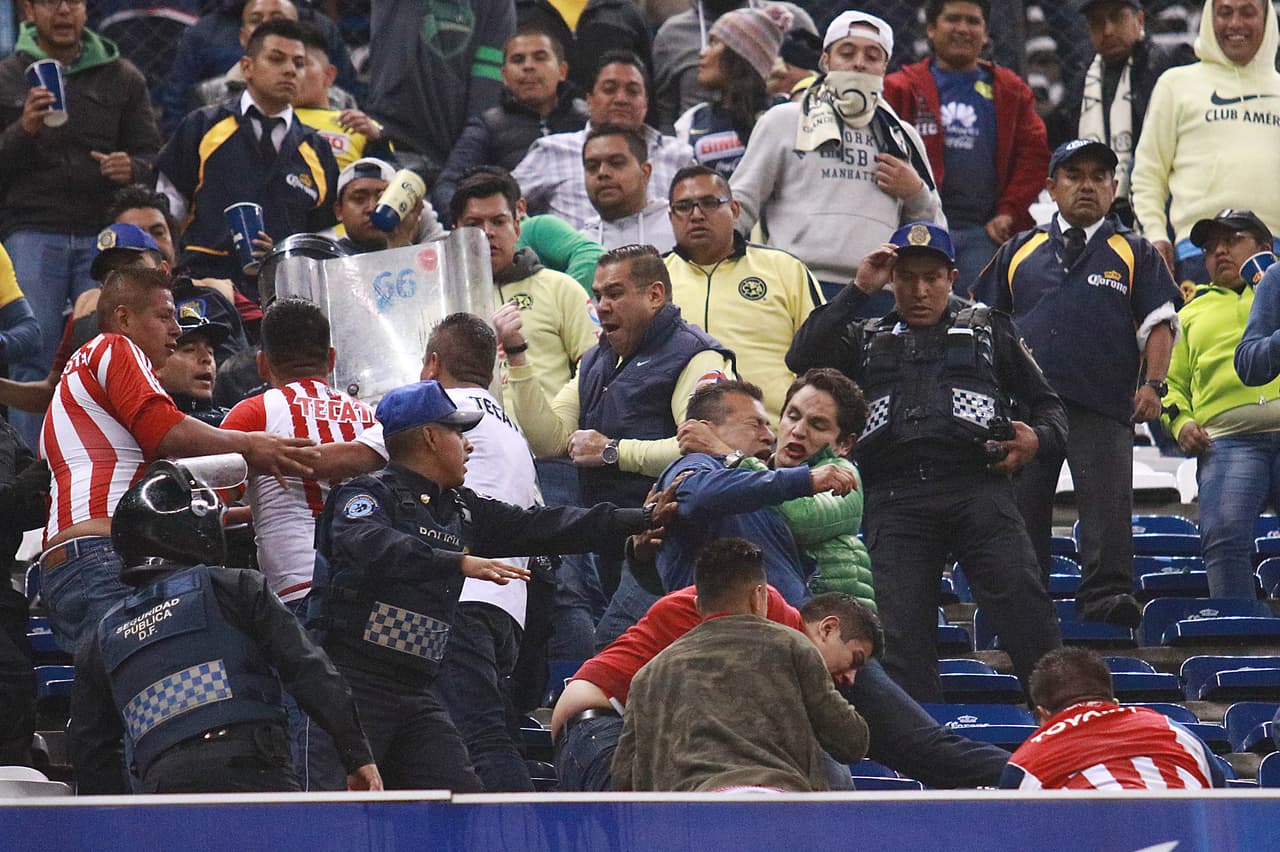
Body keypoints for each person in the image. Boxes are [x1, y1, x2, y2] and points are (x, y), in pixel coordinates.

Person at [302, 379, 670, 790]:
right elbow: (371, 545)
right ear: (430, 438)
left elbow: (545, 525)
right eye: (458, 433)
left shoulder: (460, 508)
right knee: (333, 809)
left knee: (469, 805)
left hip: (417, 691)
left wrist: (639, 518)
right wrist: (457, 562)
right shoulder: (365, 495)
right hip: (352, 689)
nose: (468, 446)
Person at [787, 221, 1064, 702]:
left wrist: (1036, 441)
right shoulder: (863, 336)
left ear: (952, 277)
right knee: (899, 637)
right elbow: (802, 356)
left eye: (931, 278)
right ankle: (923, 741)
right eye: (907, 278)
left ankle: (1066, 715)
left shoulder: (990, 329)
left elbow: (1051, 407)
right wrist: (858, 289)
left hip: (978, 488)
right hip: (894, 499)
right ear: (891, 279)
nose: (919, 291)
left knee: (1026, 609)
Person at [37, 266, 319, 657]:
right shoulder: (114, 347)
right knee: (160, 682)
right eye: (164, 316)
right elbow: (164, 430)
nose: (175, 328)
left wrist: (248, 512)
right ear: (124, 318)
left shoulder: (77, 382)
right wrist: (252, 445)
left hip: (74, 563)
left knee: (122, 689)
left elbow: (139, 483)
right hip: (104, 555)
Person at [68, 457, 382, 795]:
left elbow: (91, 752)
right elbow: (310, 670)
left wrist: (122, 818)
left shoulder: (101, 637)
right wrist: (356, 754)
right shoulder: (234, 587)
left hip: (163, 793)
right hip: (253, 773)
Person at [973, 139, 1181, 627]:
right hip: (1025, 409)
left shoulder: (1135, 251)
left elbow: (1160, 323)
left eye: (1098, 177)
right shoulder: (1018, 249)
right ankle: (1023, 604)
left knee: (1108, 508)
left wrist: (1153, 385)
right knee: (1021, 510)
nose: (1087, 185)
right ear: (1051, 186)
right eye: (1074, 175)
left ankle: (1107, 598)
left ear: (1114, 187)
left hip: (1103, 404)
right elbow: (983, 325)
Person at [553, 583, 1010, 793]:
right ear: (827, 628)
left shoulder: (768, 670)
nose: (851, 679)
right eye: (854, 661)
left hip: (617, 733)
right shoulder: (762, 610)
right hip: (600, 731)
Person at [504, 243, 732, 601]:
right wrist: (518, 356)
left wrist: (613, 451)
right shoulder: (597, 359)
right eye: (598, 295)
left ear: (655, 295)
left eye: (614, 293)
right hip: (608, 538)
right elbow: (549, 441)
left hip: (668, 542)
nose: (602, 306)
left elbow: (703, 451)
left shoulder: (697, 355)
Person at [0, 0, 162, 448]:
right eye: (51, 1)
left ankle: (103, 455)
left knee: (113, 352)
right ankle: (28, 467)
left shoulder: (123, 76)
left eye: (73, 1)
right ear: (28, 10)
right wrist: (23, 130)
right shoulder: (6, 76)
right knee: (33, 358)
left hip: (102, 236)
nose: (64, 10)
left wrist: (131, 167)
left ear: (87, 9)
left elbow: (152, 155)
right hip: (31, 229)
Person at [612, 537, 870, 792]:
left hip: (693, 810)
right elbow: (851, 741)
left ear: (698, 605)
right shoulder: (795, 647)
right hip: (782, 802)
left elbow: (624, 779)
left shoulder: (649, 675)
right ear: (758, 597)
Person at [729, 10, 942, 305]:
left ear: (884, 67)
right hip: (793, 285)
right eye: (847, 53)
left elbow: (933, 233)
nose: (859, 63)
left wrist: (916, 193)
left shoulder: (902, 136)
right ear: (825, 60)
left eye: (872, 56)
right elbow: (741, 202)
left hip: (878, 292)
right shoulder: (783, 120)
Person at [421, 313, 545, 792]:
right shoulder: (513, 430)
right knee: (472, 735)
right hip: (506, 608)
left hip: (461, 601)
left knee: (479, 739)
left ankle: (515, 828)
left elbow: (354, 459)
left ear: (434, 364)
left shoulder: (440, 409)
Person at [156, 18, 341, 283]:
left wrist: (285, 255)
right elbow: (168, 208)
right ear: (246, 67)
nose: (290, 70)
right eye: (276, 59)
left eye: (299, 63)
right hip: (204, 282)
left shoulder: (317, 148)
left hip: (286, 289)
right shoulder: (202, 126)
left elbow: (323, 232)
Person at [883, 0, 1049, 293]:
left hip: (983, 234)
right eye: (953, 19)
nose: (963, 29)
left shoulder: (1011, 90)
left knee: (977, 313)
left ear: (985, 33)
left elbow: (1034, 156)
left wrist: (1009, 212)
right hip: (914, 227)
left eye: (973, 21)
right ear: (931, 29)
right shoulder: (899, 88)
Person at [653, 380, 856, 604]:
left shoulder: (759, 487)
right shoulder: (697, 465)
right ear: (706, 429)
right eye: (755, 424)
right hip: (738, 623)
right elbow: (699, 494)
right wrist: (804, 480)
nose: (770, 436)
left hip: (799, 620)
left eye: (818, 425)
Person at [1164, 210, 1280, 600]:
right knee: (1225, 532)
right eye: (1211, 247)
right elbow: (1167, 385)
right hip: (1228, 439)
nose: (1220, 252)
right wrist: (1181, 423)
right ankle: (1236, 627)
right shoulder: (1189, 312)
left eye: (1232, 240)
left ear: (1264, 247)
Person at [1131, 0, 1280, 286]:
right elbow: (1148, 174)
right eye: (1225, 12)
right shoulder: (1175, 84)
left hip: (1274, 256)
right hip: (1198, 255)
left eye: (1247, 12)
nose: (1235, 23)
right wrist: (1155, 234)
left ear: (1267, 19)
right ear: (1210, 18)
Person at [664, 165, 824, 424]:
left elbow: (823, 357)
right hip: (679, 439)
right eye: (683, 207)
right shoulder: (655, 279)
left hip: (774, 435)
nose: (696, 215)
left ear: (735, 210)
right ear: (671, 217)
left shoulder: (784, 268)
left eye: (709, 203)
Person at [732, 368, 874, 609]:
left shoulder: (843, 476)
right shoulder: (754, 472)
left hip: (834, 625)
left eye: (817, 425)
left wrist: (738, 463)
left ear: (845, 444)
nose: (798, 431)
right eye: (793, 416)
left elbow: (798, 519)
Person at [1047, 0, 1195, 223]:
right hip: (1103, 216)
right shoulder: (1081, 84)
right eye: (1097, 22)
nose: (1108, 30)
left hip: (1168, 201)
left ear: (1139, 19)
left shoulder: (1171, 65)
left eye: (1117, 18)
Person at [513, 51, 694, 230]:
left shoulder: (678, 155)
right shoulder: (552, 151)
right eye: (609, 89)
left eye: (632, 91)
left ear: (645, 103)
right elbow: (504, 205)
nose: (621, 99)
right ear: (589, 100)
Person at [1000, 648, 1224, 790]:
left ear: (1042, 714)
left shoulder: (1026, 763)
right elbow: (1225, 808)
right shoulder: (1176, 732)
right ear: (1114, 703)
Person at [432, 26, 589, 217]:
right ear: (504, 76)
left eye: (540, 57)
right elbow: (447, 186)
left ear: (562, 70)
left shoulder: (586, 121)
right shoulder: (488, 126)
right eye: (518, 59)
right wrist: (472, 225)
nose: (528, 66)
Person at [362, 0, 514, 184]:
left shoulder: (497, 5)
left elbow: (484, 93)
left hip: (455, 155)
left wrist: (464, 160)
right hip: (392, 139)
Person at [157, 0, 356, 135]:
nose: (266, 27)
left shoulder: (338, 100)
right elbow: (176, 113)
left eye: (278, 20)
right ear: (243, 36)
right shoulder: (207, 97)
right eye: (256, 20)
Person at [651, 0, 816, 133]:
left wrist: (802, 83)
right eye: (710, 42)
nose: (702, 53)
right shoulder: (671, 35)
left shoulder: (794, 20)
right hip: (699, 145)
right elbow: (664, 118)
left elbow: (823, 84)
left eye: (714, 43)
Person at [673, 5, 791, 180]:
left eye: (713, 42)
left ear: (741, 56)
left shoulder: (786, 113)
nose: (702, 52)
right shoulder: (691, 121)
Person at [291, 24, 393, 171]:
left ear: (328, 75)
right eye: (279, 62)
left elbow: (389, 177)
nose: (291, 71)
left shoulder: (363, 128)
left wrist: (377, 143)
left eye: (300, 64)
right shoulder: (263, 121)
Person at [579, 125, 677, 252]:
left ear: (645, 172)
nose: (603, 172)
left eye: (616, 163)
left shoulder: (678, 228)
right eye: (592, 166)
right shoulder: (580, 247)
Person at [330, 157, 443, 255]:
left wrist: (399, 241)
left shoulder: (425, 244)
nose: (372, 208)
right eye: (359, 199)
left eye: (382, 198)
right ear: (339, 211)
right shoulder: (328, 258)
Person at [161, 315, 232, 427]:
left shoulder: (236, 420)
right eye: (190, 350)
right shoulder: (144, 426)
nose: (206, 358)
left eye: (210, 351)